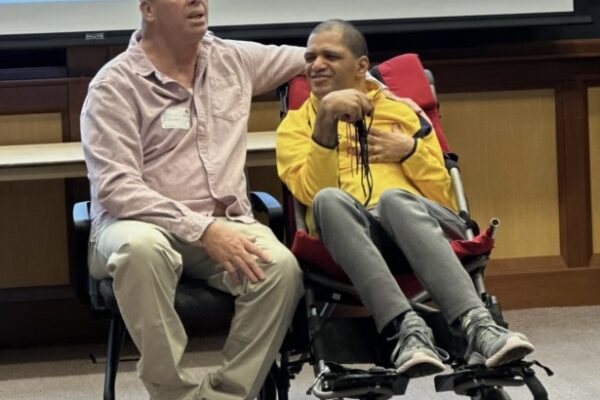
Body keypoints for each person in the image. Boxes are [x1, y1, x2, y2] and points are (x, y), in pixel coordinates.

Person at [276, 19, 535, 378]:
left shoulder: (401, 110)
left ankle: (479, 327)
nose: (316, 65)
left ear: (361, 66)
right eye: (310, 57)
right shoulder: (294, 126)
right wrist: (325, 122)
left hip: (420, 225)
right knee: (328, 201)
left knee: (396, 199)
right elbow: (308, 194)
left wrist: (411, 150)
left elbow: (442, 195)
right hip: (353, 237)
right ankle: (407, 332)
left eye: (330, 56)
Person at [80, 1, 307, 399]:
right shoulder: (114, 85)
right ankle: (174, 395)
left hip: (224, 223)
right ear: (148, 10)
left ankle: (223, 396)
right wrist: (202, 228)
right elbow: (116, 189)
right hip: (134, 225)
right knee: (141, 249)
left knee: (281, 270)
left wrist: (370, 84)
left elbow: (318, 57)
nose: (197, 1)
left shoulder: (233, 59)